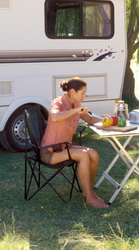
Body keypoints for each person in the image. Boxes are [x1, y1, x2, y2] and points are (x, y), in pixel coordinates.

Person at [41, 77, 109, 208]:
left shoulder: (77, 105)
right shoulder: (58, 102)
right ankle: (89, 198)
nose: (84, 96)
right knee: (84, 155)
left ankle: (88, 191)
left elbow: (89, 119)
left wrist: (103, 118)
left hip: (64, 146)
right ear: (73, 92)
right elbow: (54, 117)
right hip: (50, 151)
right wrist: (75, 111)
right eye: (82, 93)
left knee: (93, 154)